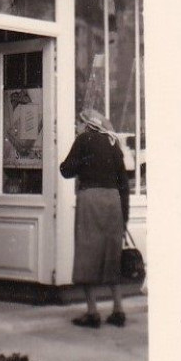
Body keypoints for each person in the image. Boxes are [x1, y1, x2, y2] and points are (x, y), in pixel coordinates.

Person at [59, 107, 130, 328]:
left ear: (86, 124)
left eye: (77, 124)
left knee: (87, 254)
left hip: (90, 199)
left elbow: (66, 170)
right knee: (111, 254)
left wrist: (83, 163)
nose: (76, 128)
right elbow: (123, 182)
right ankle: (118, 309)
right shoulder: (112, 143)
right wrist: (124, 215)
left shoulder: (83, 140)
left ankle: (92, 312)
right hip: (113, 201)